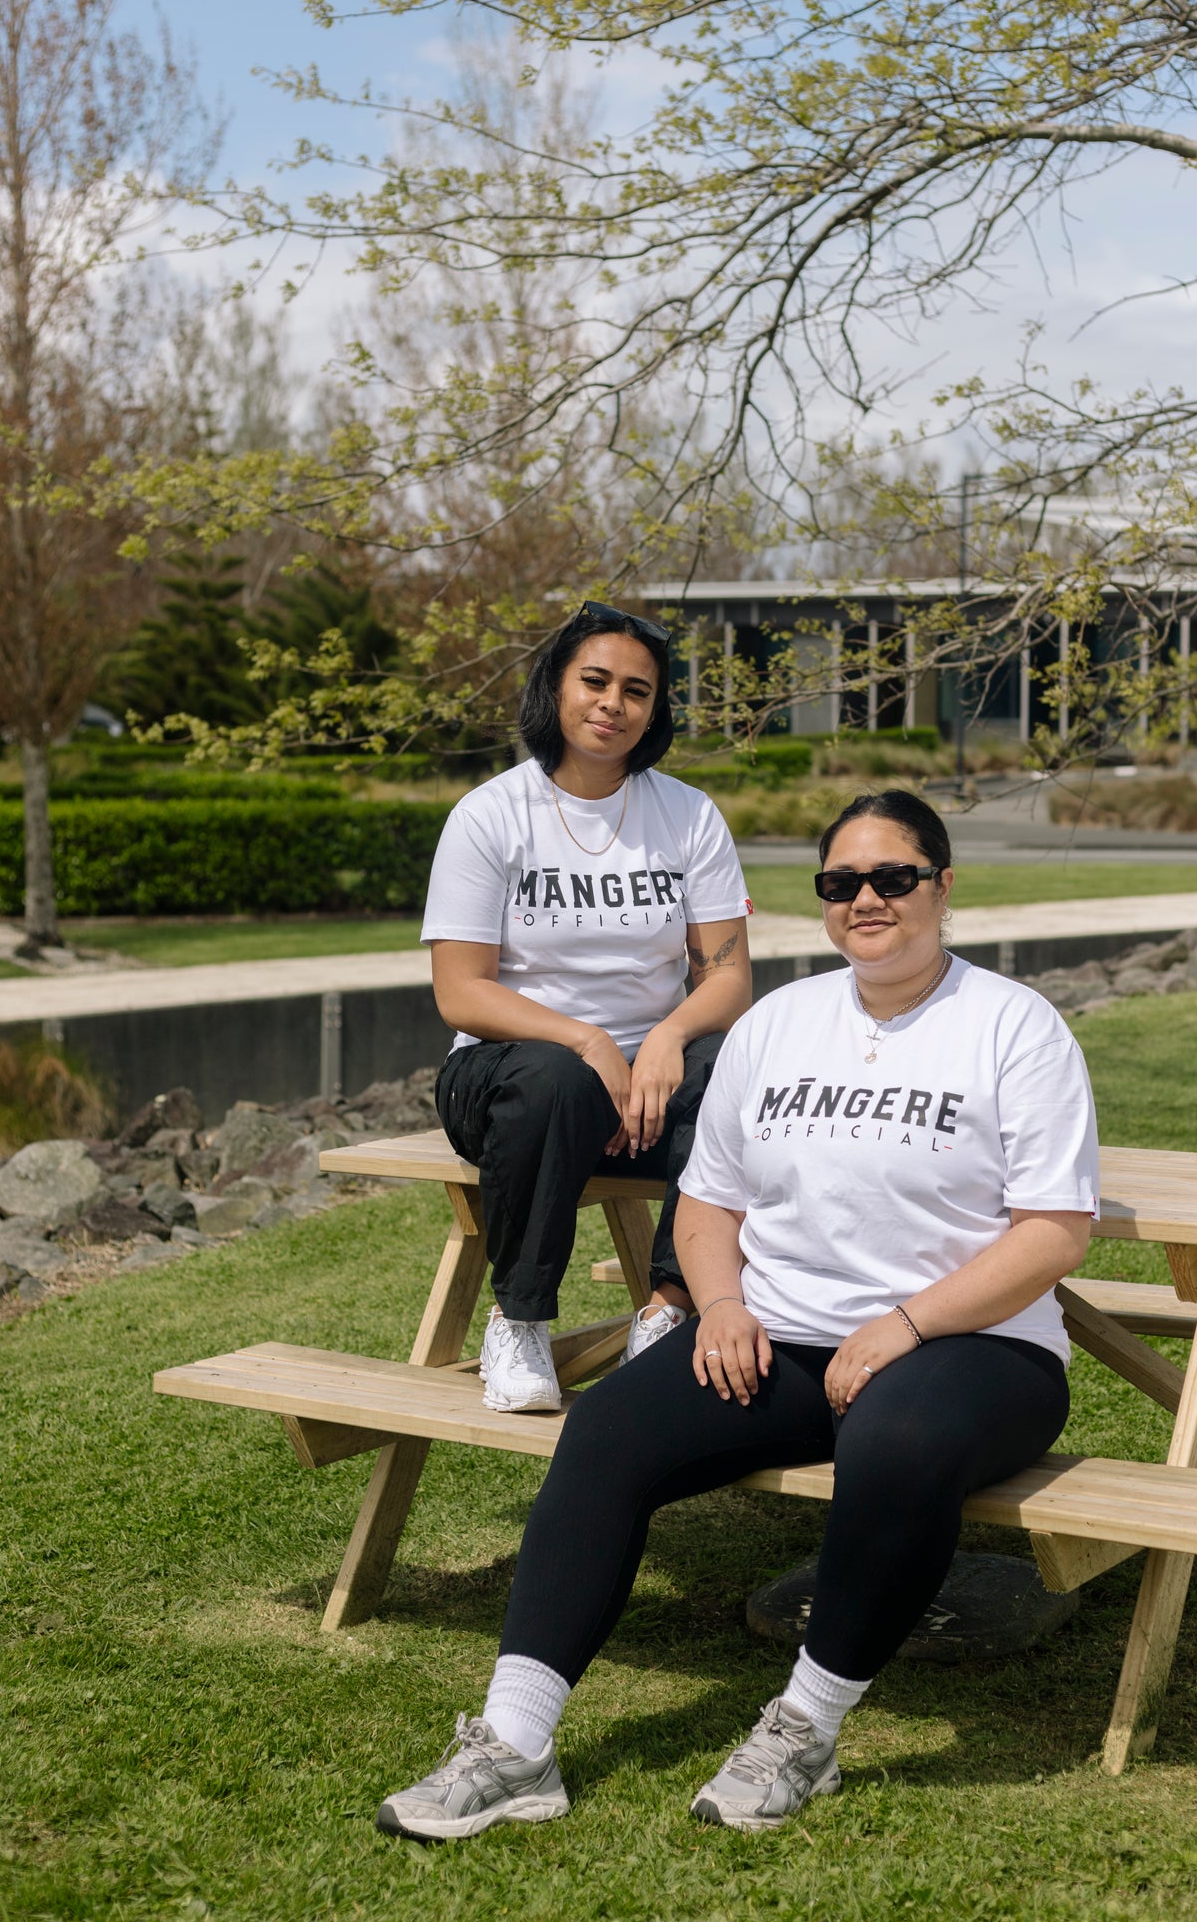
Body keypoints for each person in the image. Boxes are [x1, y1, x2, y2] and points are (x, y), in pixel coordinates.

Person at [379, 787, 1098, 1839]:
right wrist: (717, 1301)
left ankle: (802, 1727)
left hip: (970, 1347)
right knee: (610, 1426)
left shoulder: (1012, 1028)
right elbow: (710, 1199)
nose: (866, 898)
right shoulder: (780, 1022)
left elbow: (1050, 1232)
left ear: (941, 889)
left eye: (892, 877)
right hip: (780, 1335)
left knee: (893, 1443)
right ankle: (515, 1742)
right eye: (840, 881)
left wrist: (904, 1325)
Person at [423, 599, 752, 1413]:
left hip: (651, 1089)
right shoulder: (491, 814)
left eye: (636, 691)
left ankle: (671, 1311)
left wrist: (670, 1035)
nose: (613, 704)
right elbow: (459, 990)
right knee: (553, 1078)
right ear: (555, 687)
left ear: (654, 710)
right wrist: (588, 1042)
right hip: (510, 1079)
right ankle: (521, 1322)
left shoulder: (687, 815)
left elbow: (728, 978)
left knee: (739, 1066)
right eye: (594, 681)